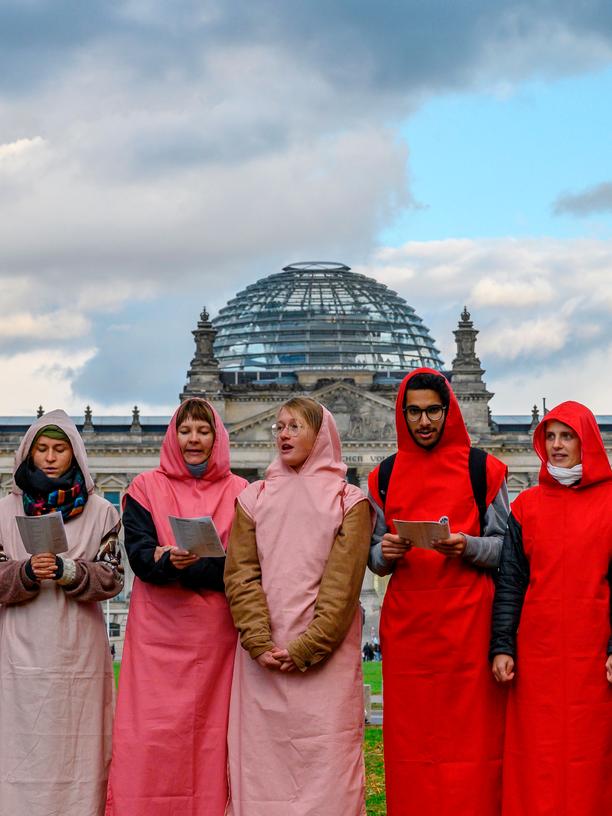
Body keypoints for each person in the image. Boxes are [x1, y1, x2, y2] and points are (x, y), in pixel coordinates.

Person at [368, 368, 509, 816]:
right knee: (411, 745)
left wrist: (466, 546)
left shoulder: (481, 468)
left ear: (448, 411)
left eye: (433, 411)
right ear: (402, 414)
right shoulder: (383, 476)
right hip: (409, 631)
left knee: (474, 742)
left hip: (470, 625)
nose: (424, 421)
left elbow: (509, 548)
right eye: (414, 412)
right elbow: (371, 556)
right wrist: (386, 551)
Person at [224, 397, 372, 816]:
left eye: (294, 426)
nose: (283, 434)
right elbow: (240, 574)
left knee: (327, 764)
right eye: (279, 427)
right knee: (260, 766)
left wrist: (308, 647)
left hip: (326, 656)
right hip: (261, 656)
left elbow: (343, 586)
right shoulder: (253, 497)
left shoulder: (350, 500)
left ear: (320, 434)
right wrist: (257, 640)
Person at [106, 398, 247, 816]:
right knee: (152, 734)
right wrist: (169, 562)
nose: (194, 439)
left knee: (211, 735)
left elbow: (242, 568)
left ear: (217, 437)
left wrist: (188, 566)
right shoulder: (144, 488)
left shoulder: (242, 491)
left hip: (217, 637)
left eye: (203, 431)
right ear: (173, 435)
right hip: (157, 638)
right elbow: (140, 557)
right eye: (185, 430)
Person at [490, 401, 612, 815]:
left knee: (590, 752)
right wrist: (503, 646)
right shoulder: (526, 506)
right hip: (536, 652)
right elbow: (511, 581)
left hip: (593, 652)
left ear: (587, 442)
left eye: (567, 436)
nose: (557, 445)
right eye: (550, 437)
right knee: (537, 753)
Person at [0, 410, 123, 816]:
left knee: (79, 750)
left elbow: (113, 577)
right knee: (18, 745)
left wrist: (69, 570)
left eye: (59, 449)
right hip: (18, 649)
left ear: (75, 455)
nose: (50, 458)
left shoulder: (102, 511)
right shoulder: (4, 511)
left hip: (79, 652)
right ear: (28, 453)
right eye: (43, 449)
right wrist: (26, 571)